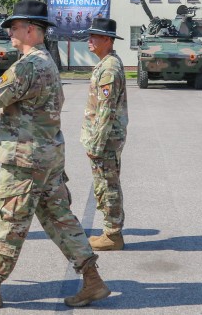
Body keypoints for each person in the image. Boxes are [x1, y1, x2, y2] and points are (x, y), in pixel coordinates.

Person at [0, 0, 110, 308]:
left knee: (9, 223)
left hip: (25, 162)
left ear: (31, 29)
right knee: (60, 219)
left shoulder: (29, 64)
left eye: (14, 26)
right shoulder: (45, 61)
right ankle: (92, 280)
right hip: (45, 156)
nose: (10, 31)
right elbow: (20, 116)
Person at [81, 18, 128, 251]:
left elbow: (106, 111)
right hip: (106, 138)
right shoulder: (106, 64)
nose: (89, 40)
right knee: (105, 183)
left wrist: (96, 145)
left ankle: (112, 234)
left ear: (107, 40)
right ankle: (111, 230)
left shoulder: (109, 68)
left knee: (107, 185)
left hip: (105, 140)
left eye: (94, 36)